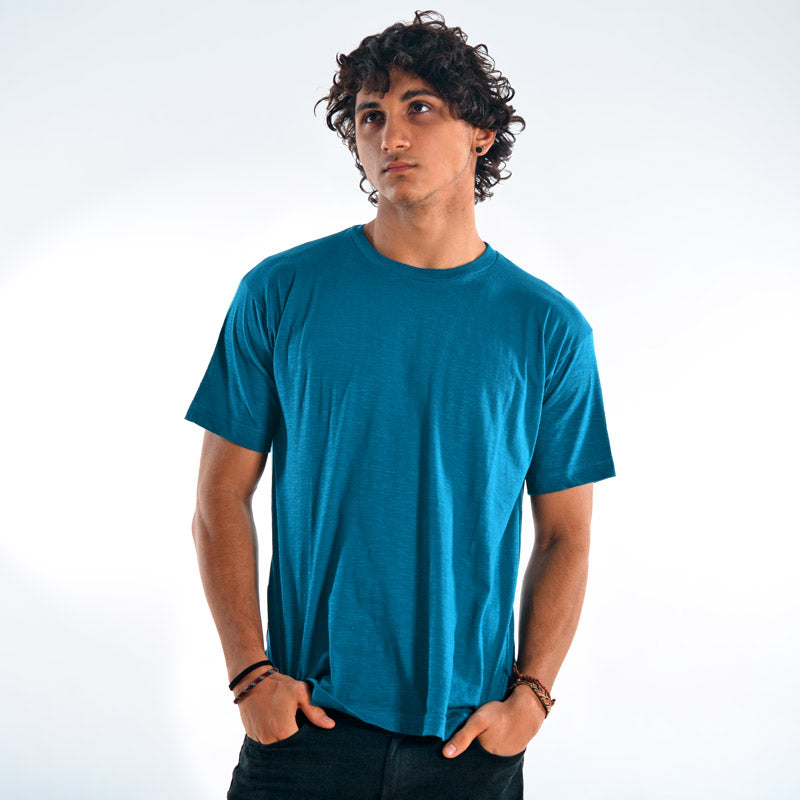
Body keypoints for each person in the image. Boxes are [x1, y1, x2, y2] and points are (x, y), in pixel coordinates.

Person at [185, 10, 615, 799]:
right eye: (370, 115)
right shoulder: (281, 293)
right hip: (304, 726)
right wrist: (249, 677)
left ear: (481, 131)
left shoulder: (548, 329)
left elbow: (566, 534)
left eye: (420, 107)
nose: (391, 135)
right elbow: (219, 498)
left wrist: (532, 699)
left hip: (467, 744)